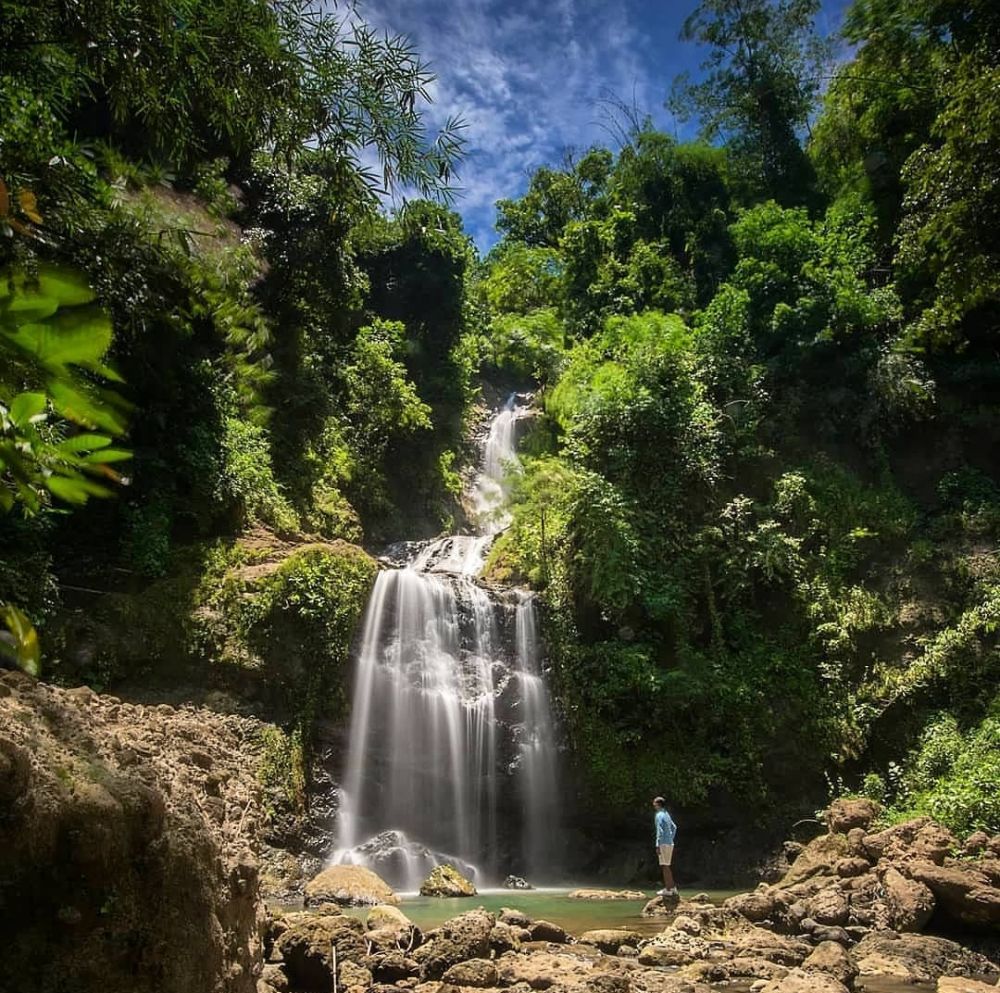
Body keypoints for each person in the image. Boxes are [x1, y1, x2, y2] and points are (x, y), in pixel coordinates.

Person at [652, 796, 678, 898]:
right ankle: (672, 888)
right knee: (667, 865)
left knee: (664, 866)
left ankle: (668, 890)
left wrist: (658, 845)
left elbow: (660, 831)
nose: (653, 804)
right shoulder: (666, 814)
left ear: (658, 804)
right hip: (670, 843)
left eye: (654, 803)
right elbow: (674, 827)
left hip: (663, 843)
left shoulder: (659, 815)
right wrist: (671, 838)